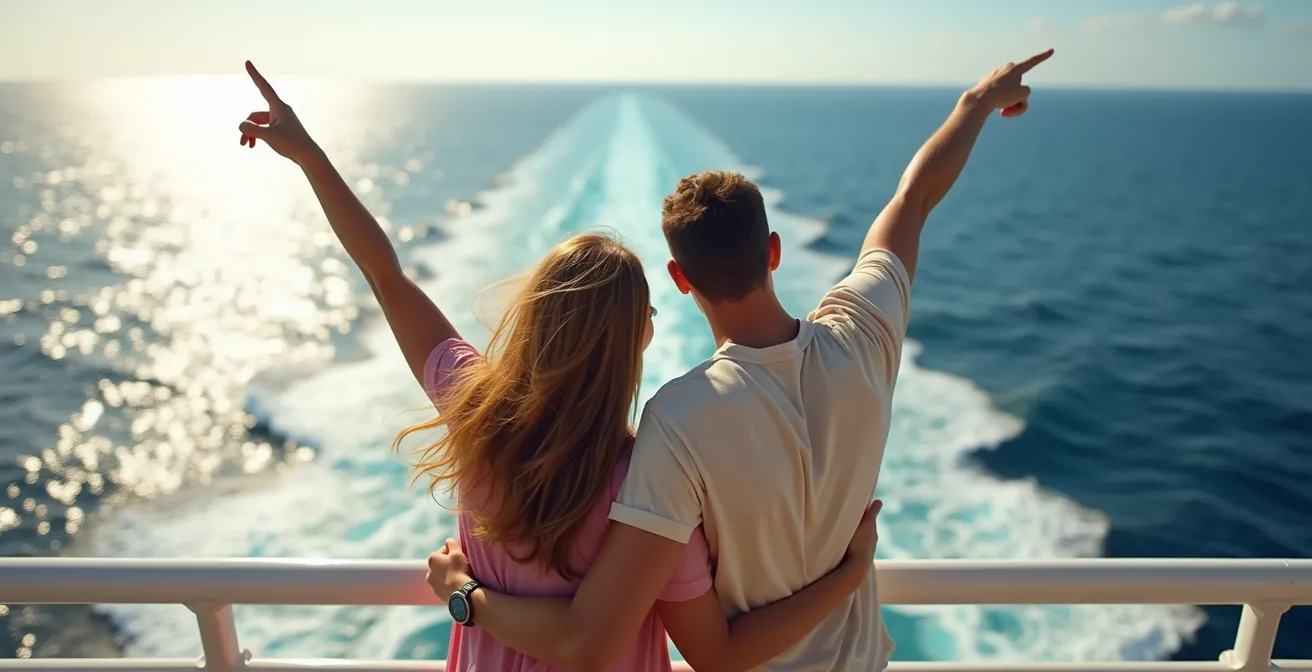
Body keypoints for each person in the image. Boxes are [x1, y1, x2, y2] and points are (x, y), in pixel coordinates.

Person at [235, 62, 883, 672]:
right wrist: (849, 577)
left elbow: (386, 275)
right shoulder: (646, 476)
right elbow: (709, 650)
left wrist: (312, 158)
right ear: (634, 339)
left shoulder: (473, 408)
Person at [424, 49, 1056, 672]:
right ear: (774, 250)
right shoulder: (865, 335)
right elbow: (913, 200)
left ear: (678, 278)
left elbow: (705, 652)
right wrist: (976, 104)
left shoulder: (676, 421)